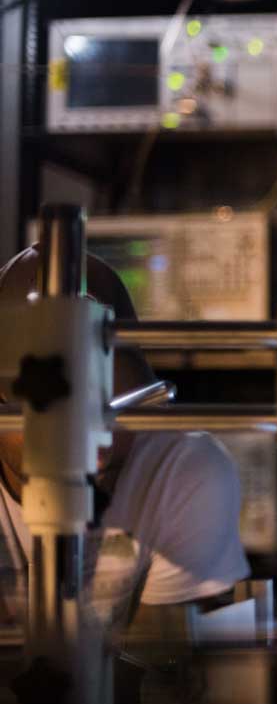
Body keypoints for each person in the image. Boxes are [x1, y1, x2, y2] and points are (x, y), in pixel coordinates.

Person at [0, 246, 250, 640]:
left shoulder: (184, 470)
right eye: (51, 418)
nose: (92, 456)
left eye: (110, 412)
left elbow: (166, 681)